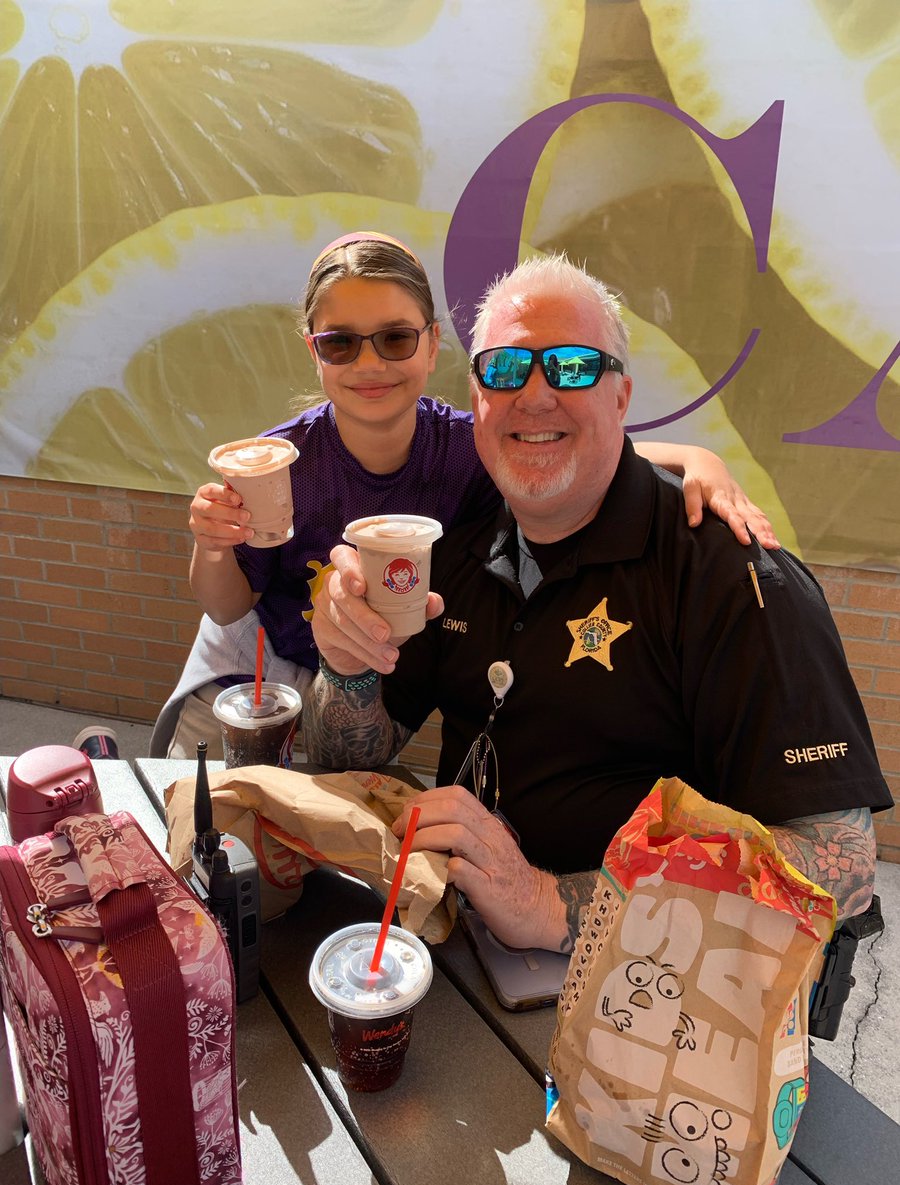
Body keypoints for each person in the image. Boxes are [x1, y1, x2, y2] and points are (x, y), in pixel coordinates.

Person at [302, 253, 891, 953]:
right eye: (506, 369)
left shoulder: (736, 579)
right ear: (477, 398)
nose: (535, 395)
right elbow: (344, 751)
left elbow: (843, 865)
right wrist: (347, 665)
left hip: (656, 998)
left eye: (574, 367)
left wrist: (555, 907)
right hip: (454, 948)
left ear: (621, 396)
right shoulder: (453, 555)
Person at [151, 233, 778, 759]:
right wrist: (212, 547)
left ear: (431, 345)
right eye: (340, 342)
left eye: (394, 338)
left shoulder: (465, 448)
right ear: (314, 352)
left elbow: (572, 442)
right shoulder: (280, 461)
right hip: (259, 663)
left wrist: (699, 458)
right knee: (205, 829)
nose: (369, 362)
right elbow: (230, 607)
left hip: (364, 676)